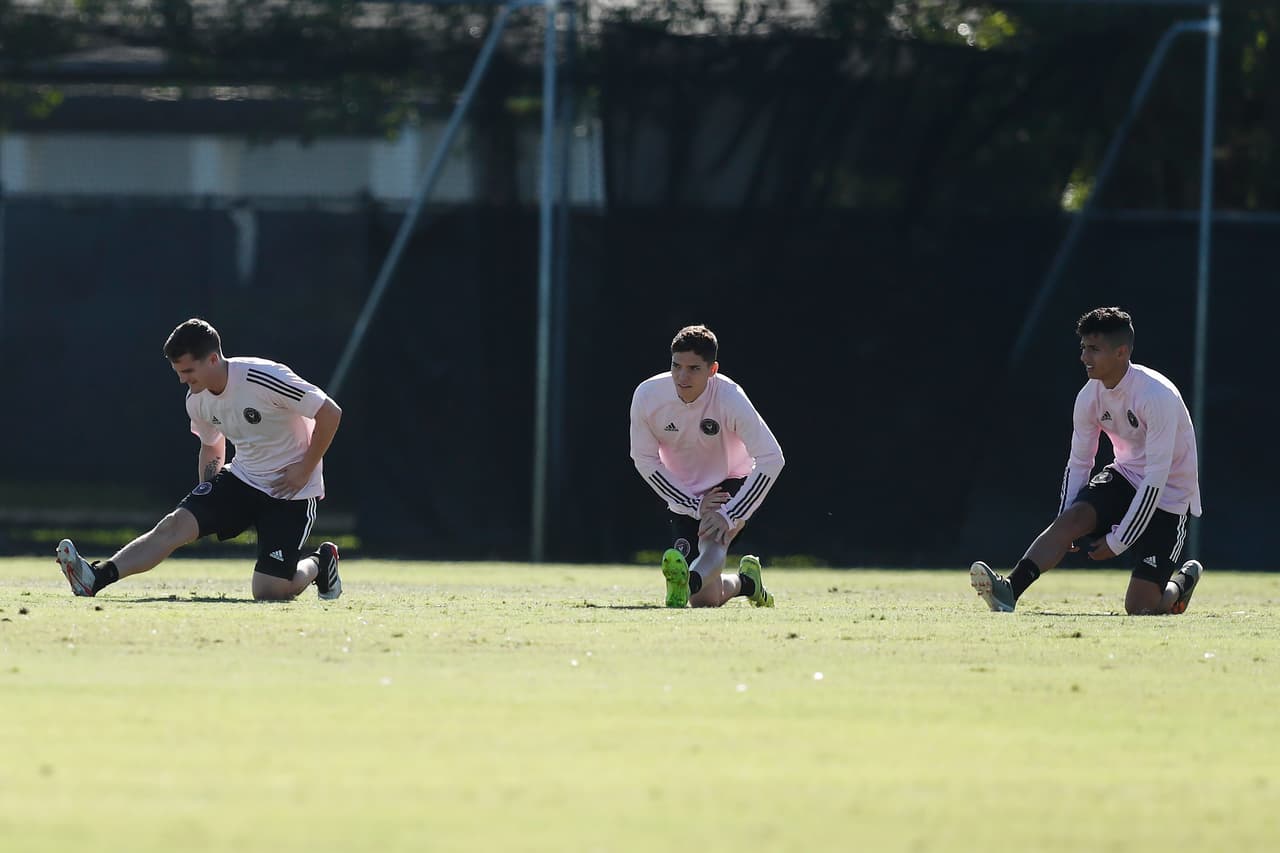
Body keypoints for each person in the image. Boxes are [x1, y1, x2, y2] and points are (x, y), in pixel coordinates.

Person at [55, 318, 344, 601]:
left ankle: (320, 561)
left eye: (189, 370)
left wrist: (305, 469)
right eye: (178, 372)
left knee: (270, 591)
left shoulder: (264, 377)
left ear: (213, 359)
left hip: (290, 490)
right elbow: (212, 446)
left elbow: (330, 412)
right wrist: (208, 504)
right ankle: (96, 577)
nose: (183, 379)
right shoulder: (196, 399)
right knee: (173, 526)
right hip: (242, 478)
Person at [970, 306, 1203, 615]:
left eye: (1094, 349)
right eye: (1083, 347)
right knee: (1072, 517)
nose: (1084, 357)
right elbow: (1080, 462)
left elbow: (1156, 478)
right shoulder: (1088, 396)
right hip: (1126, 476)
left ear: (1121, 352)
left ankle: (1180, 584)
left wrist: (1119, 541)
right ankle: (1009, 590)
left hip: (1168, 496)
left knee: (1140, 607)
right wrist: (1065, 524)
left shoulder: (1155, 396)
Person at [629, 324, 784, 608]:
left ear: (712, 370)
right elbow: (645, 459)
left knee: (712, 542)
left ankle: (689, 582)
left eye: (693, 369)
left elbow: (772, 457)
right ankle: (747, 583)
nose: (682, 376)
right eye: (676, 366)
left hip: (730, 482)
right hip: (685, 494)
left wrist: (731, 513)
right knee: (706, 601)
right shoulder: (647, 396)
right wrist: (693, 503)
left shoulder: (730, 397)